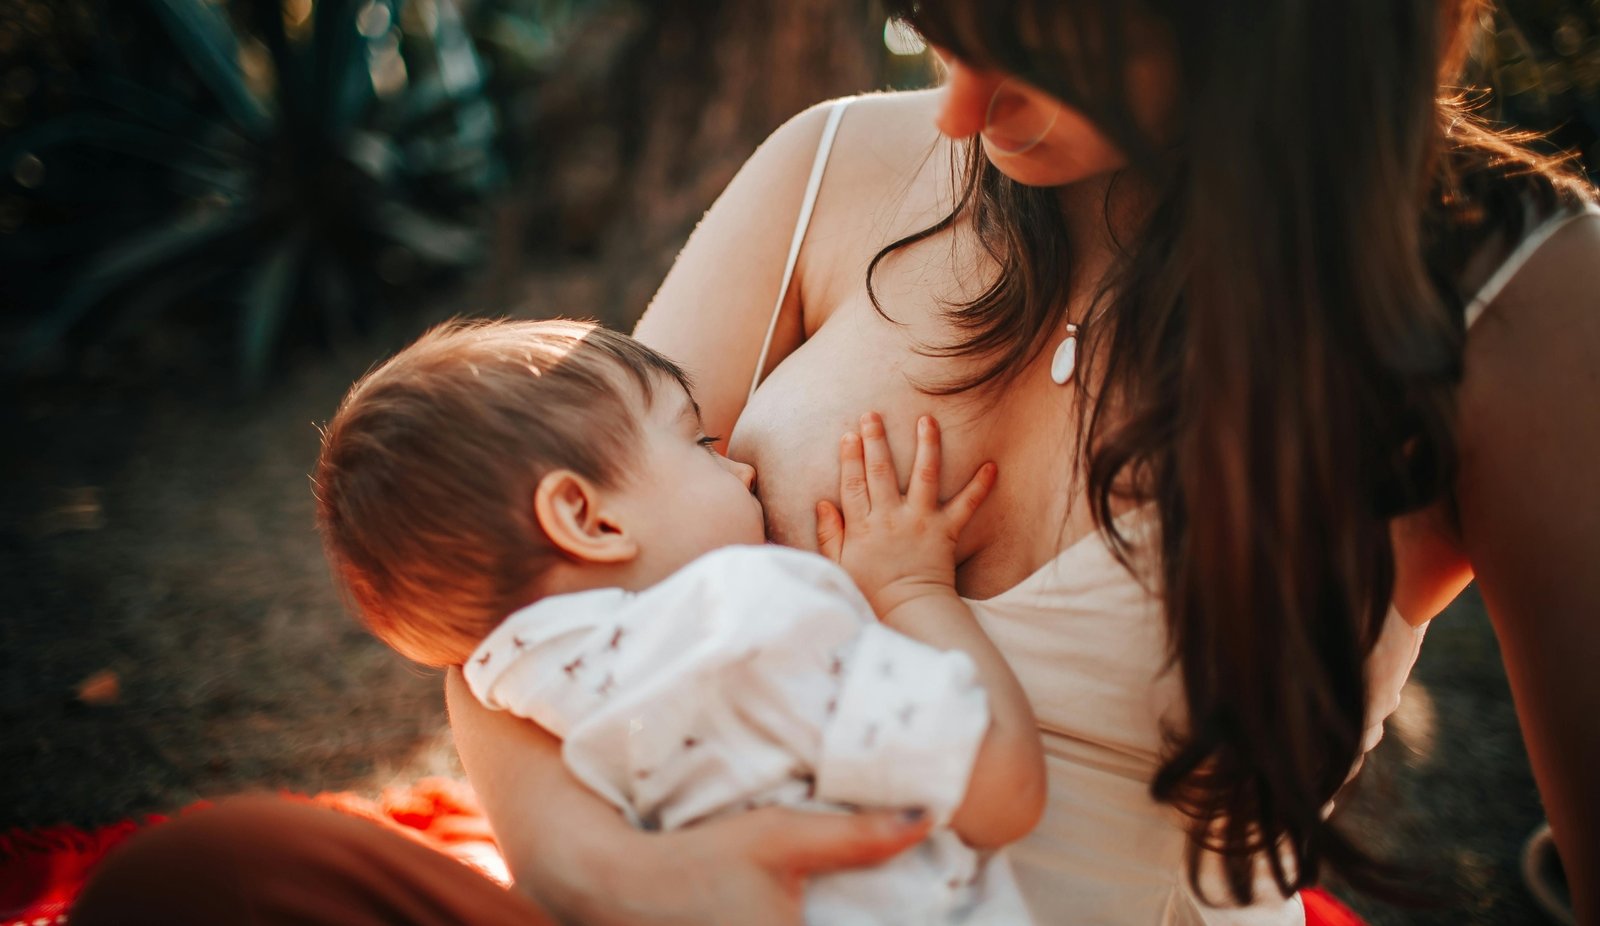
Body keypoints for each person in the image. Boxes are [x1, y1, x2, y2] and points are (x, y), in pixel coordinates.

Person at [74, 0, 1600, 923]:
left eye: (1037, 49)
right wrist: (599, 869)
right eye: (942, 25)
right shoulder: (828, 168)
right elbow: (526, 579)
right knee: (212, 882)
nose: (959, 109)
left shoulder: (1510, 298)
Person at [310, 317, 1042, 923]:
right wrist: (912, 588)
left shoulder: (517, 687)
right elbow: (1002, 790)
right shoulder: (747, 621)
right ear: (585, 518)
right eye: (697, 443)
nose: (742, 469)